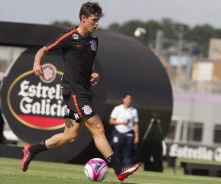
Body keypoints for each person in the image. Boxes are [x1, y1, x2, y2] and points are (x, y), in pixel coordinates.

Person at [20, 2, 141, 182]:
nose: (96, 24)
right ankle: (119, 168)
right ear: (83, 19)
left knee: (70, 136)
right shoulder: (69, 37)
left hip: (84, 92)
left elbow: (88, 63)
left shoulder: (93, 42)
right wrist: (37, 63)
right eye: (94, 20)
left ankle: (32, 150)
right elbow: (43, 50)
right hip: (74, 92)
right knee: (98, 128)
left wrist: (93, 73)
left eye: (98, 20)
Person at [109, 93, 139, 165]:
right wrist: (122, 123)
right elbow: (111, 121)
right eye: (127, 99)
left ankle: (128, 169)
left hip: (129, 133)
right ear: (123, 99)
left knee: (128, 154)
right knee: (117, 153)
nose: (129, 101)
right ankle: (117, 168)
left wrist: (137, 136)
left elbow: (135, 124)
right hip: (118, 132)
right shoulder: (117, 108)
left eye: (130, 99)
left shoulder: (134, 111)